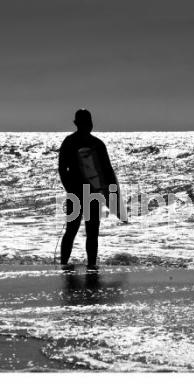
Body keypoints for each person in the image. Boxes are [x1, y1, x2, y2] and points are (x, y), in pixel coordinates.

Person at [58, 109, 123, 271]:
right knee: (73, 230)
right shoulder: (70, 142)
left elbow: (107, 171)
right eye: (86, 122)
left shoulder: (98, 144)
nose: (89, 125)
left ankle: (91, 265)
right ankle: (64, 264)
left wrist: (112, 196)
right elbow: (62, 169)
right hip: (78, 193)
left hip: (92, 194)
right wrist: (70, 190)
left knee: (91, 231)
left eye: (89, 121)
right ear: (78, 124)